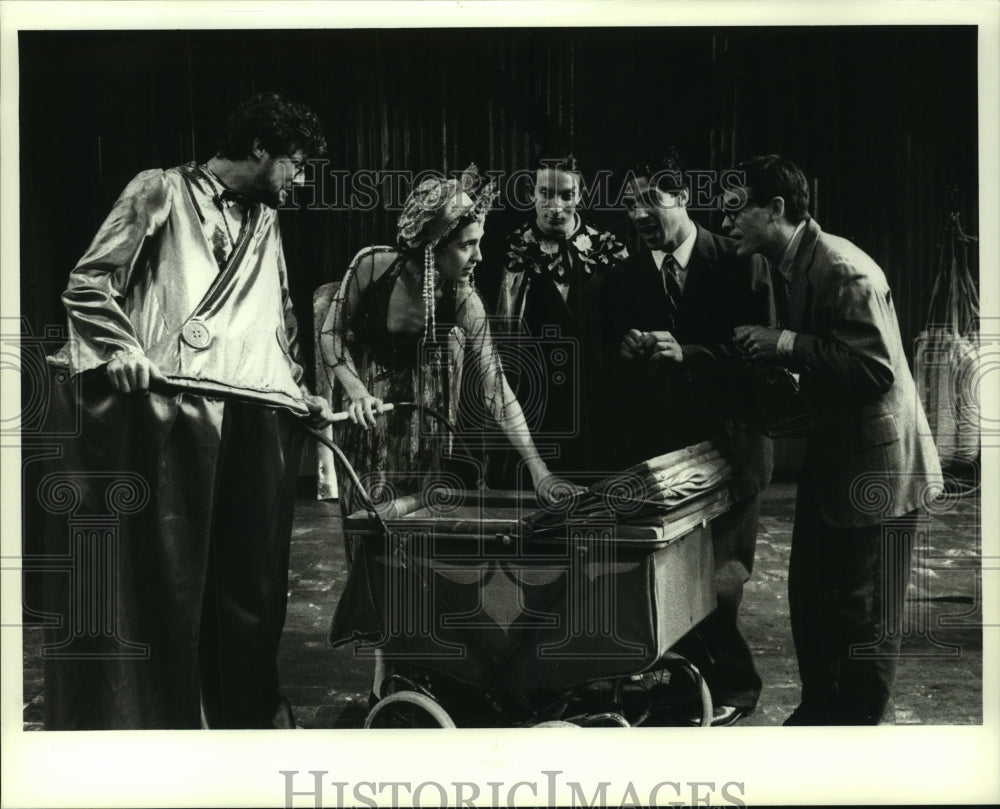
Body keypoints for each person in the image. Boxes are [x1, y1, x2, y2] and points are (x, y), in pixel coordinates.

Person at [42, 91, 333, 729]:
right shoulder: (160, 189)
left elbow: (278, 326)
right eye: (295, 161)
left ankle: (240, 727)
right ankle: (162, 728)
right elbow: (89, 281)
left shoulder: (268, 223)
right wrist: (120, 347)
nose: (300, 177)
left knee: (249, 590)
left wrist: (298, 391)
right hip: (174, 414)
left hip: (254, 419)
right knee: (169, 584)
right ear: (261, 149)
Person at [319, 165, 576, 700]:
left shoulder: (464, 298)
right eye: (468, 245)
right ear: (432, 245)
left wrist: (540, 471)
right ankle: (386, 675)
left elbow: (496, 389)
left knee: (417, 552)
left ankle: (419, 669)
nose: (480, 256)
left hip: (426, 428)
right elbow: (332, 333)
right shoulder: (372, 267)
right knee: (371, 545)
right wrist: (355, 389)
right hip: (369, 428)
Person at [725, 154, 943, 725]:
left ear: (775, 209)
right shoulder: (792, 262)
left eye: (736, 209)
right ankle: (824, 710)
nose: (727, 223)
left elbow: (876, 371)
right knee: (812, 594)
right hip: (840, 455)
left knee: (860, 609)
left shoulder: (843, 269)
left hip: (877, 467)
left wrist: (786, 343)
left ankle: (856, 729)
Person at [604, 148, 773, 726]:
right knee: (672, 579)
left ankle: (738, 689)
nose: (639, 214)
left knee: (721, 579)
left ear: (681, 197)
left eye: (650, 199)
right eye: (630, 204)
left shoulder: (739, 262)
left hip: (733, 448)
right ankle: (685, 687)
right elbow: (609, 367)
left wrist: (692, 354)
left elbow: (762, 361)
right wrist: (625, 352)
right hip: (667, 460)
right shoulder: (627, 275)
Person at [493, 156, 629, 479]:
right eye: (546, 194)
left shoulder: (609, 250)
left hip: (598, 402)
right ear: (532, 194)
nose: (556, 206)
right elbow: (499, 334)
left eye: (566, 195)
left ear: (579, 196)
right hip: (536, 404)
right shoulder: (512, 251)